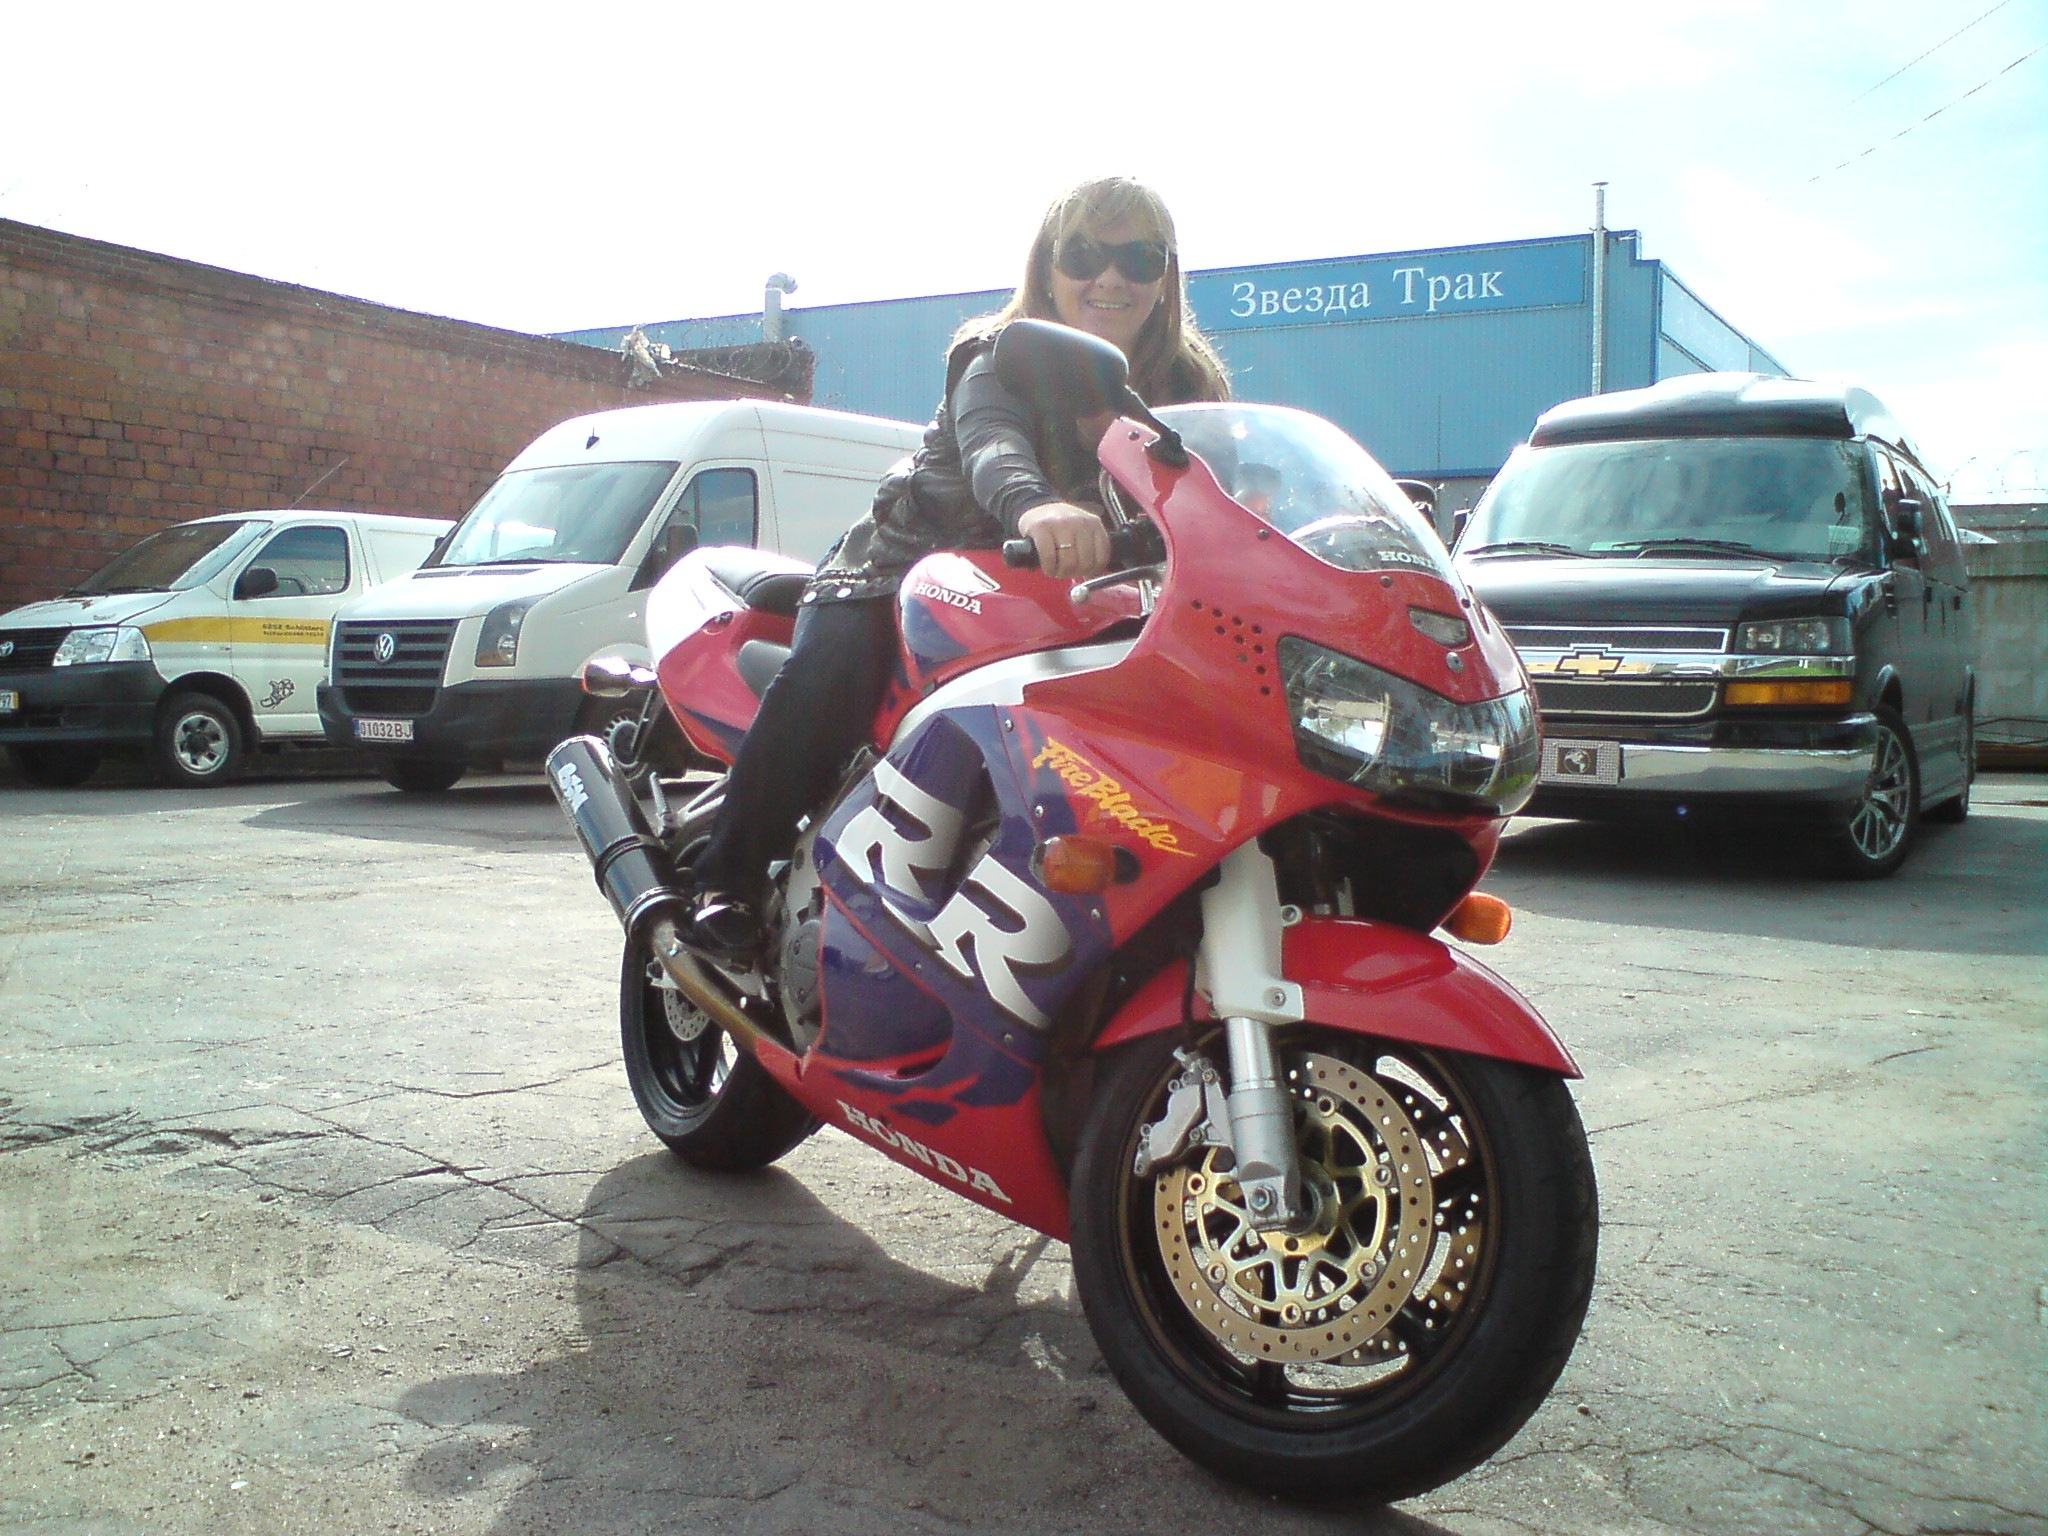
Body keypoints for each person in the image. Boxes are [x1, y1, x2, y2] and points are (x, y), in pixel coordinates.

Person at [686, 176, 1231, 958]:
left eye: (1138, 258)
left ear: (1166, 276)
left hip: (1072, 604)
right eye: (1084, 256)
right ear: (1047, 267)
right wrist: (1035, 506)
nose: (1110, 278)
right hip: (904, 574)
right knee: (833, 675)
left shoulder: (1186, 386)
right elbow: (992, 445)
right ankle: (726, 879)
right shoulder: (999, 352)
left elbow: (1227, 486)